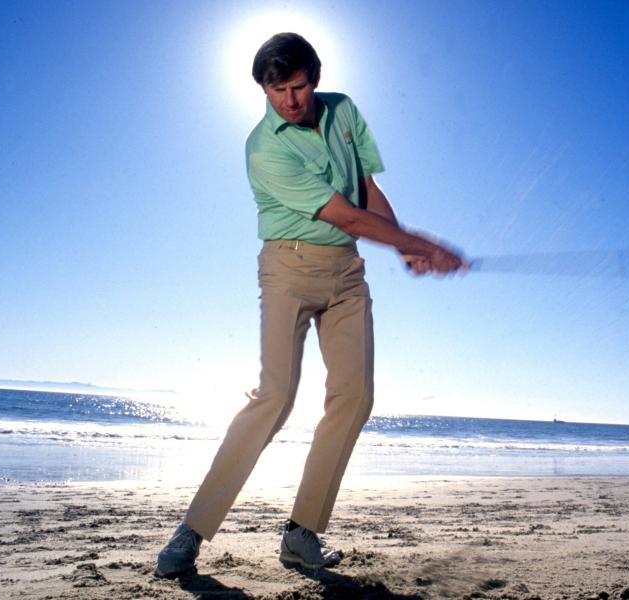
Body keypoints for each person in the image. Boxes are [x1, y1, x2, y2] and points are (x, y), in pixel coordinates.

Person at [155, 32, 465, 578]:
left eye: (297, 88)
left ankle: (302, 533)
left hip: (346, 273)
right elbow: (342, 212)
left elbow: (365, 190)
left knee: (355, 396)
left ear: (314, 81)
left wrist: (401, 248)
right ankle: (192, 530)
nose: (289, 102)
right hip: (288, 270)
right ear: (264, 89)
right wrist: (418, 244)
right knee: (274, 397)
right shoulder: (264, 147)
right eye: (277, 91)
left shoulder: (343, 110)